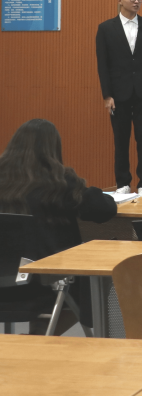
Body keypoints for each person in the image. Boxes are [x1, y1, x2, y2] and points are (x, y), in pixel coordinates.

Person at [0, 119, 117, 334]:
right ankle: (39, 338)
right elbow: (104, 210)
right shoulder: (60, 184)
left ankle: (35, 338)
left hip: (5, 281)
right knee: (94, 274)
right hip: (49, 282)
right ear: (53, 150)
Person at [95, 0, 142, 197]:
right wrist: (107, 95)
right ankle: (123, 183)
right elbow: (103, 65)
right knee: (121, 139)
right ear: (120, 0)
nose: (136, 2)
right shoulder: (106, 28)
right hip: (119, 93)